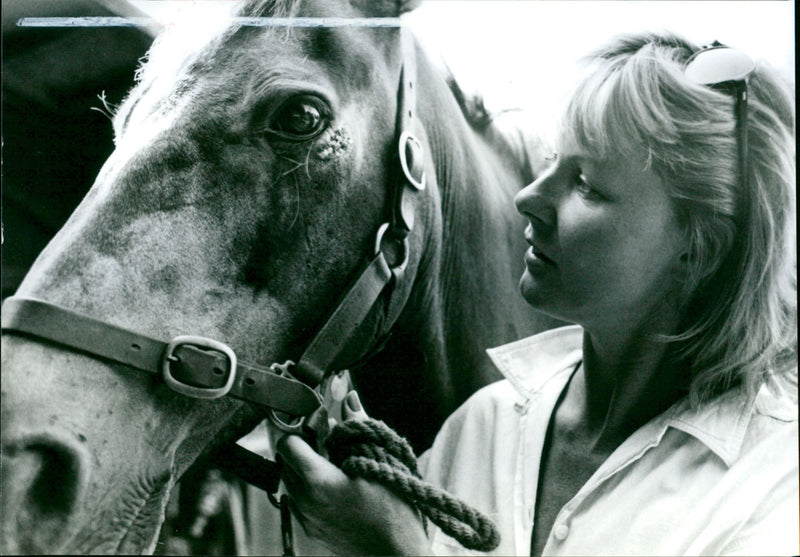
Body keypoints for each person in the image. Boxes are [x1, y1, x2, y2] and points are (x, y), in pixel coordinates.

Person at [276, 30, 798, 555]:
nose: (529, 198)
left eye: (587, 184)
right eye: (553, 160)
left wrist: (393, 549)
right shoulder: (482, 425)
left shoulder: (778, 481)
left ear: (701, 248)